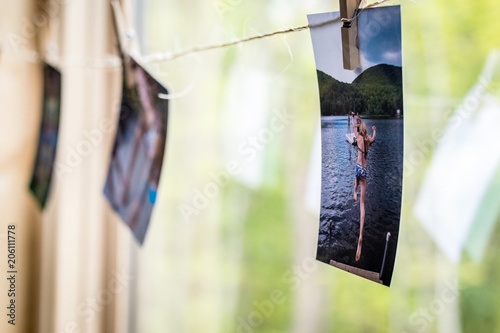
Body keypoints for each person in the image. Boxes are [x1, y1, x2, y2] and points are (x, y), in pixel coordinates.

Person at [352, 121, 376, 262]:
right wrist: (374, 130)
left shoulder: (359, 137)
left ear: (361, 130)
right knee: (362, 204)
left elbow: (354, 129)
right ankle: (361, 235)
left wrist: (356, 123)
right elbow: (373, 138)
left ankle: (354, 190)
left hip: (357, 167)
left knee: (356, 176)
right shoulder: (367, 140)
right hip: (365, 171)